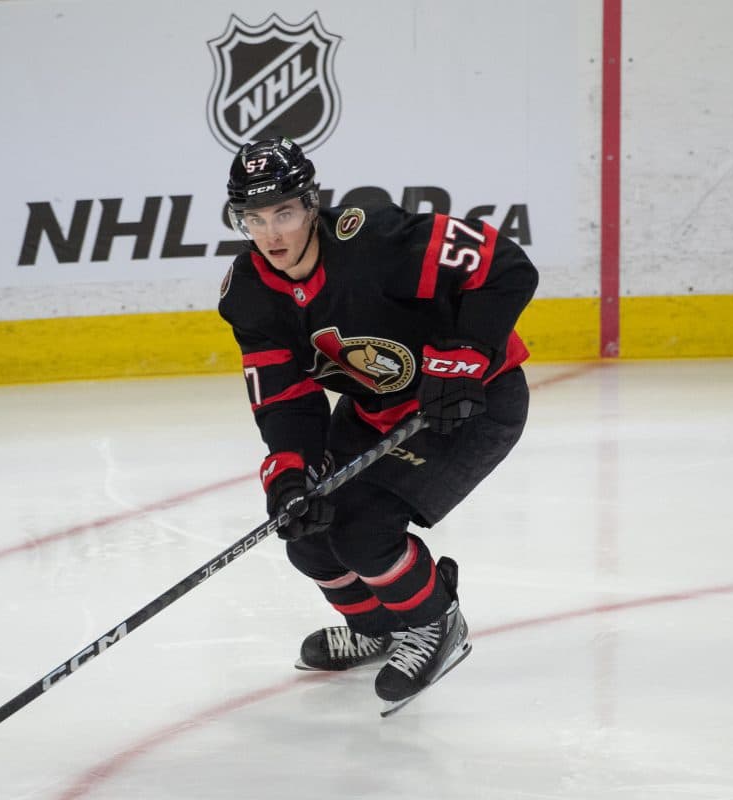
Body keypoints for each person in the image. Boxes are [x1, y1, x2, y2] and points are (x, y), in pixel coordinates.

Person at [217, 137, 537, 715]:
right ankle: (377, 628)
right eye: (255, 219)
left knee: (364, 530)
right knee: (309, 532)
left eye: (285, 212)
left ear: (312, 204)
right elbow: (285, 396)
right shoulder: (250, 295)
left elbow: (506, 266)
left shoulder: (375, 243)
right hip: (375, 410)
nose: (273, 235)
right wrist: (289, 472)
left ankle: (436, 624)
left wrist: (466, 350)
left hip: (475, 403)